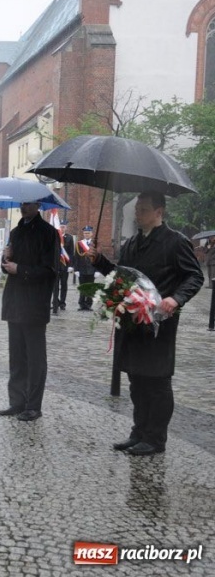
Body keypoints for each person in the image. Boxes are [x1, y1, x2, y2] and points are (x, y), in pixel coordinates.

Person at [88, 191, 203, 456]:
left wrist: (176, 298)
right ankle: (138, 432)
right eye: (137, 209)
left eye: (143, 209)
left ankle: (155, 438)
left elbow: (194, 276)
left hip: (160, 323)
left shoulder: (176, 242)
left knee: (157, 381)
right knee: (137, 380)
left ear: (159, 212)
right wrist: (99, 262)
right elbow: (121, 276)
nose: (137, 213)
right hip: (133, 322)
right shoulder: (131, 243)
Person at [0, 201, 58, 422]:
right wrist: (6, 258)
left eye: (29, 203)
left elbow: (50, 270)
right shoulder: (15, 232)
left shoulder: (48, 233)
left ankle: (33, 405)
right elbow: (6, 268)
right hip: (14, 302)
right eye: (22, 203)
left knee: (35, 358)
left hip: (34, 304)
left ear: (38, 205)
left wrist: (20, 269)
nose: (24, 207)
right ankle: (17, 401)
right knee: (17, 356)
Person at [73, 225, 97, 310]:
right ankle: (82, 304)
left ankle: (89, 304)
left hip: (92, 269)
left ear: (91, 234)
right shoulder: (79, 244)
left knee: (90, 288)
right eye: (85, 233)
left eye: (88, 233)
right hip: (82, 269)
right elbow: (76, 257)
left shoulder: (95, 243)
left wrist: (97, 270)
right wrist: (76, 269)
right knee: (82, 287)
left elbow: (98, 257)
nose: (86, 234)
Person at [57, 221, 75, 310]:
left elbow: (71, 252)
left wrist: (71, 265)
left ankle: (62, 303)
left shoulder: (69, 238)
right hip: (56, 265)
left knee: (64, 285)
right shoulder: (54, 237)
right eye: (60, 227)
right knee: (55, 285)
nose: (62, 228)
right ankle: (56, 301)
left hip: (65, 265)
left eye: (63, 227)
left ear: (66, 228)